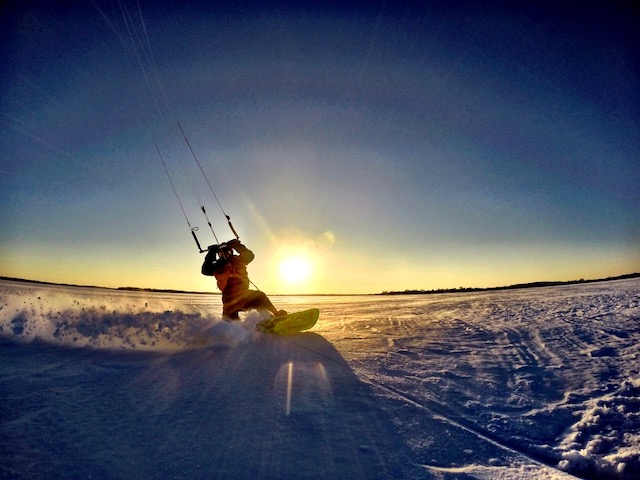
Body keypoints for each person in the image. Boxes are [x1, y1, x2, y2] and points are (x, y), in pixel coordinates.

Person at [201, 239, 286, 320]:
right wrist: (211, 253)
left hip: (244, 295)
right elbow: (205, 270)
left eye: (229, 251)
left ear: (231, 252)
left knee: (260, 296)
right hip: (229, 300)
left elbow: (249, 256)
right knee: (231, 323)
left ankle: (273, 316)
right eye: (222, 253)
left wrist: (237, 245)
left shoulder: (238, 260)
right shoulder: (217, 266)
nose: (226, 254)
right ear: (219, 254)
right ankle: (230, 329)